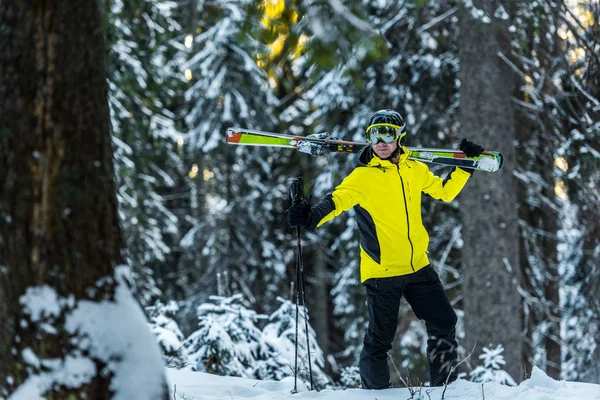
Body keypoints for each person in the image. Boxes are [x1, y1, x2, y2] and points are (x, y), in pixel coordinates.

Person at [287, 109, 484, 389]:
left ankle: (445, 389)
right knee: (381, 338)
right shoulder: (362, 177)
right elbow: (336, 201)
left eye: (388, 134)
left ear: (399, 136)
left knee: (444, 321)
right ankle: (374, 394)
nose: (381, 141)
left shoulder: (414, 169)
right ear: (369, 138)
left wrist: (465, 166)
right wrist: (309, 217)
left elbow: (445, 191)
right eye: (374, 134)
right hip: (382, 271)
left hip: (418, 266)